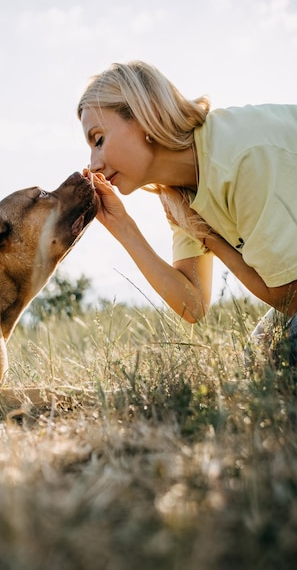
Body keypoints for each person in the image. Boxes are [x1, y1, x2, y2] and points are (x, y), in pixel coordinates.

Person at [77, 60, 297, 366]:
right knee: (260, 356)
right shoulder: (179, 190)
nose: (94, 162)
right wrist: (124, 228)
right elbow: (193, 306)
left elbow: (290, 299)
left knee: (284, 353)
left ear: (145, 116)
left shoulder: (240, 158)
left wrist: (209, 237)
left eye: (99, 140)